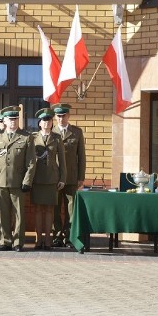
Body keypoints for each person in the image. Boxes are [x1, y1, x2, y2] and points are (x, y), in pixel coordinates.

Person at [0, 106, 37, 252]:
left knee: (19, 214)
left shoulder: (26, 137)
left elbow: (31, 162)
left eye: (15, 119)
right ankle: (5, 241)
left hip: (18, 182)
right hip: (1, 181)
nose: (13, 121)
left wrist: (27, 181)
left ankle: (18, 242)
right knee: (3, 213)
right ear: (4, 121)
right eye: (10, 119)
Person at [30, 108, 66, 250]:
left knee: (50, 210)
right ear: (39, 123)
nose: (47, 123)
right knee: (38, 210)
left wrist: (62, 178)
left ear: (52, 122)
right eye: (44, 121)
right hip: (37, 178)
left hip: (52, 178)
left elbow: (62, 160)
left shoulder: (57, 138)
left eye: (49, 120)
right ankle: (38, 240)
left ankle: (48, 241)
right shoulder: (33, 138)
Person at [51, 103, 86, 248]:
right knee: (55, 208)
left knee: (71, 209)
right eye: (58, 116)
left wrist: (81, 177)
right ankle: (57, 236)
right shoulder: (50, 132)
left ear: (68, 116)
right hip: (54, 177)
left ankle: (70, 237)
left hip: (71, 177)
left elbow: (81, 156)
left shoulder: (76, 132)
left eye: (63, 116)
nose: (61, 119)